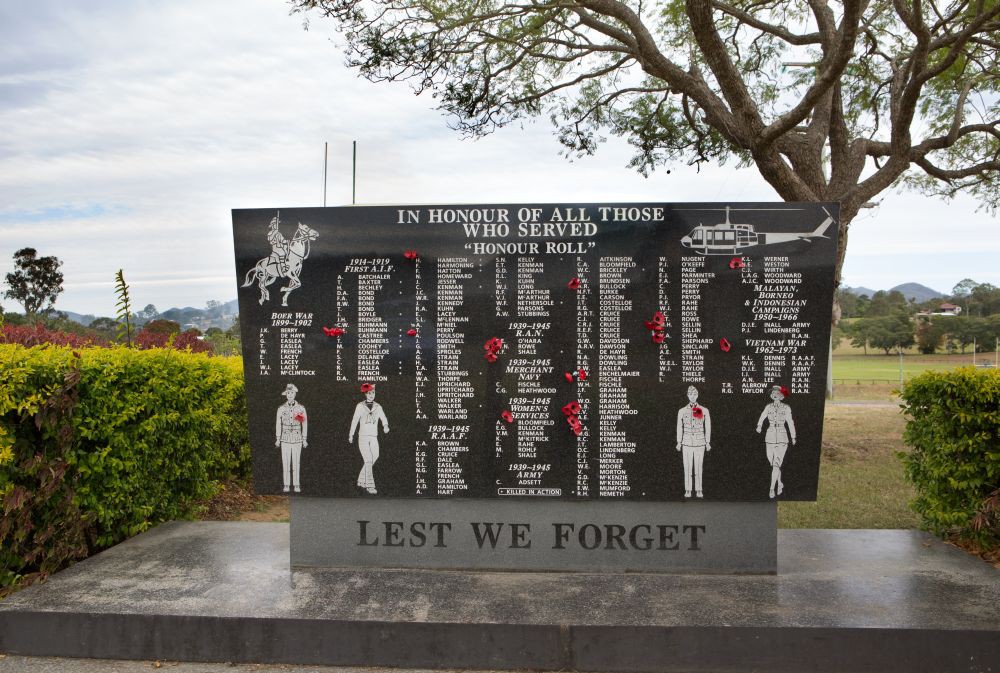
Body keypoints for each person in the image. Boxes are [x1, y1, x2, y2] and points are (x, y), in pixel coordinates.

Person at [756, 385, 796, 498]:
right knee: (772, 462)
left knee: (776, 464)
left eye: (777, 393)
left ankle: (771, 489)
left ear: (782, 396)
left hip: (782, 437)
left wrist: (793, 437)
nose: (775, 394)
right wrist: (759, 425)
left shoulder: (786, 408)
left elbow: (790, 422)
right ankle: (780, 483)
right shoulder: (768, 407)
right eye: (773, 393)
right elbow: (762, 416)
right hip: (770, 436)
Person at [349, 384, 389, 494]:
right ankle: (370, 485)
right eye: (369, 393)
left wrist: (385, 426)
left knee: (375, 456)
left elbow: (383, 417)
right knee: (368, 460)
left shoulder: (378, 406)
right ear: (365, 394)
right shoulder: (360, 406)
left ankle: (361, 480)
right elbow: (355, 420)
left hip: (373, 436)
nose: (372, 395)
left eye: (373, 393)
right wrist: (351, 434)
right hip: (363, 437)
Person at [676, 385, 711, 498]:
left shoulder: (703, 410)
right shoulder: (681, 411)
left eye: (695, 394)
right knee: (687, 467)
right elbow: (679, 427)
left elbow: (707, 426)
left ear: (697, 395)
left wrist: (707, 442)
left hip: (699, 442)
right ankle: (688, 490)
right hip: (686, 442)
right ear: (687, 395)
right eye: (690, 394)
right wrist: (679, 442)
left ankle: (699, 489)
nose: (692, 396)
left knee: (698, 468)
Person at [275, 383, 307, 493]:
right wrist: (278, 438)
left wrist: (304, 439)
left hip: (297, 437)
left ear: (295, 394)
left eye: (292, 393)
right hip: (285, 437)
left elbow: (304, 423)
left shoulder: (301, 408)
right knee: (286, 462)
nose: (290, 395)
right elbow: (278, 424)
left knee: (296, 462)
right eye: (288, 393)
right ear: (286, 394)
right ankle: (287, 484)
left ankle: (296, 484)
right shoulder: (281, 408)